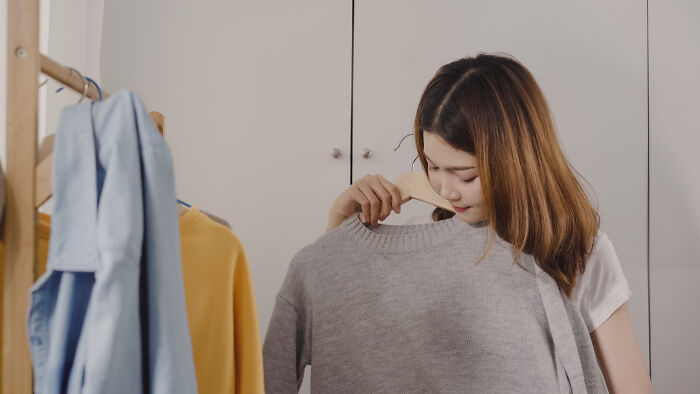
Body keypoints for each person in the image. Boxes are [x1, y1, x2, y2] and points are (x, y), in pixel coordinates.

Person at [325, 53, 653, 392]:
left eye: (466, 176)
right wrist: (339, 223)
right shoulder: (423, 238)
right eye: (433, 166)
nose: (447, 190)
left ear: (518, 161)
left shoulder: (579, 253)